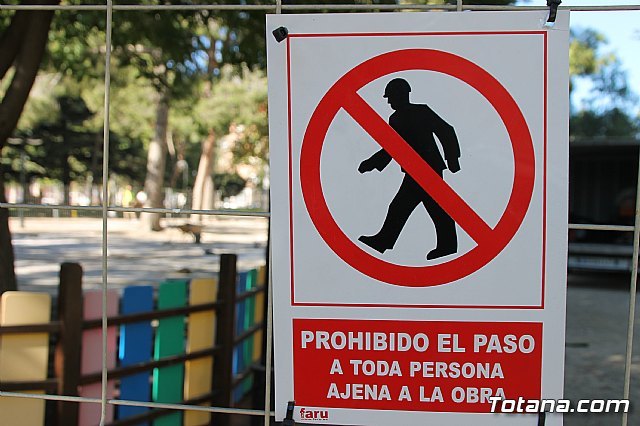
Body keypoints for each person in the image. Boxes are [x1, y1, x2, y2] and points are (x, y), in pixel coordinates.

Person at [358, 78, 461, 260]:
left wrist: (452, 159)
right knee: (428, 207)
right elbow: (392, 147)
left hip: (429, 169)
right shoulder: (395, 119)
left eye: (391, 97)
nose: (389, 101)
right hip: (414, 171)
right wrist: (372, 163)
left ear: (402, 95)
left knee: (407, 207)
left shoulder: (422, 111)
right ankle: (446, 245)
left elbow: (446, 130)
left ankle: (385, 240)